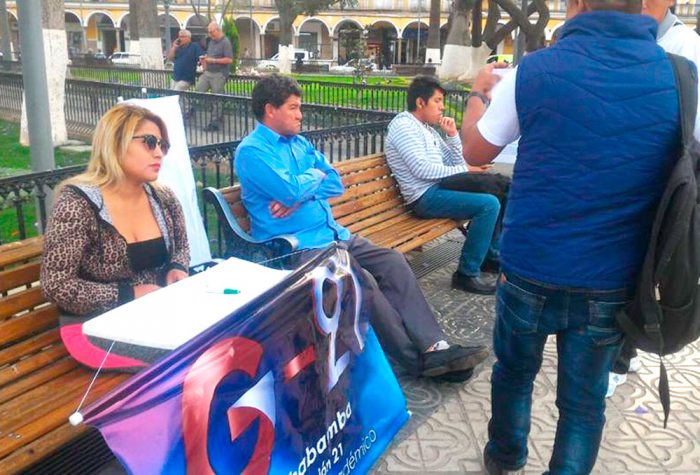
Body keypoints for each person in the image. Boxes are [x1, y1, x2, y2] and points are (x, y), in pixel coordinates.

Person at [460, 0, 685, 472]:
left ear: (577, 3)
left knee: (514, 375)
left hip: (529, 269)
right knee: (584, 403)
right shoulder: (682, 78)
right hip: (612, 279)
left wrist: (479, 91)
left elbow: (476, 151)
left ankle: (504, 458)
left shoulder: (533, 70)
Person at [234, 74, 489, 382]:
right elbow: (291, 190)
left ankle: (434, 345)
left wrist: (304, 189)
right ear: (269, 109)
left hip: (335, 235)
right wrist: (311, 179)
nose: (300, 114)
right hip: (299, 248)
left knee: (393, 261)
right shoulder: (253, 152)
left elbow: (335, 183)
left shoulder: (299, 144)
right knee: (361, 278)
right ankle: (415, 360)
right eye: (293, 107)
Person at [41, 104, 190, 372]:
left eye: (163, 145)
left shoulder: (163, 197)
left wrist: (177, 267)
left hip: (156, 314)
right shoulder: (78, 204)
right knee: (184, 363)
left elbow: (181, 247)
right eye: (149, 142)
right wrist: (127, 294)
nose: (159, 152)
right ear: (115, 143)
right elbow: (56, 285)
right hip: (95, 326)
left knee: (220, 337)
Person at [607, 0, 700, 399]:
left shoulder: (684, 46)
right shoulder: (632, 40)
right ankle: (622, 350)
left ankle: (619, 359)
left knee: (640, 271)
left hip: (662, 186)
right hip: (630, 180)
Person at [385, 75, 500, 295]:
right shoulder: (404, 127)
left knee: (498, 190)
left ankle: (490, 257)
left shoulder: (426, 129)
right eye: (437, 101)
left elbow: (454, 162)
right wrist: (466, 170)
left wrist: (453, 135)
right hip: (423, 197)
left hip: (438, 189)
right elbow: (422, 170)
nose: (442, 107)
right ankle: (466, 274)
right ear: (420, 103)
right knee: (488, 204)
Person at [195, 21, 233, 131]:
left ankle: (215, 122)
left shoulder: (225, 42)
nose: (210, 34)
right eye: (209, 32)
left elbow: (229, 59)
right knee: (198, 91)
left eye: (212, 32)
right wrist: (205, 59)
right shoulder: (211, 41)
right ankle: (214, 113)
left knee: (217, 98)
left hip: (219, 73)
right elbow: (209, 54)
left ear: (218, 30)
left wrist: (213, 60)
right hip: (208, 72)